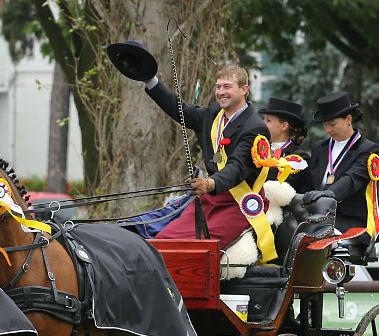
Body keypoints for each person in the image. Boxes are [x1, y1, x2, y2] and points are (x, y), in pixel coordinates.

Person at [107, 41, 270, 250]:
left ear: (244, 90)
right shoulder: (212, 115)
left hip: (238, 204)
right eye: (218, 87)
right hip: (210, 199)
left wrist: (209, 183)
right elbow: (179, 109)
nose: (221, 92)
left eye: (227, 87)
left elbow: (237, 167)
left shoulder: (255, 127)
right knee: (163, 241)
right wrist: (149, 79)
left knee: (193, 248)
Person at [306, 91, 379, 245]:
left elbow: (352, 179)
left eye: (332, 124)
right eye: (325, 125)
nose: (328, 130)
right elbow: (307, 183)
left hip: (350, 222)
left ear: (348, 119)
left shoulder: (367, 150)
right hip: (315, 217)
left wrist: (328, 194)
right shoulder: (319, 148)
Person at [259, 96, 310, 192]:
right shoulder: (260, 150)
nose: (263, 123)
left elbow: (286, 189)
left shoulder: (298, 158)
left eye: (268, 120)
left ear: (284, 126)